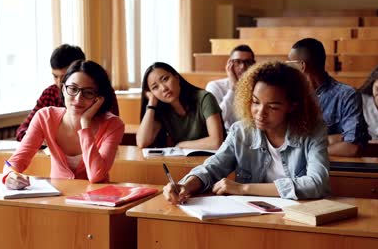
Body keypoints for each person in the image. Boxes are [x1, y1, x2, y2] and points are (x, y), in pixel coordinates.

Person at [163, 62, 330, 203]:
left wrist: (243, 188)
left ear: (292, 106)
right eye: (255, 102)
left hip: (297, 218)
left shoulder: (313, 132)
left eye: (273, 107)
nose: (260, 112)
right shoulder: (240, 131)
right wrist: (186, 185)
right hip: (250, 214)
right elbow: (212, 167)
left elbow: (316, 184)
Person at [3, 60, 124, 189]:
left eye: (88, 92)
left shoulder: (113, 125)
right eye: (73, 89)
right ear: (63, 89)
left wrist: (85, 124)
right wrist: (10, 175)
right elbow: (16, 161)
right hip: (57, 196)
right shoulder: (45, 117)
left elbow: (96, 176)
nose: (78, 99)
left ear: (99, 98)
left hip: (95, 201)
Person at [16, 44, 119, 141]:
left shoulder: (102, 93)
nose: (59, 82)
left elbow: (110, 133)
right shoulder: (50, 93)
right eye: (55, 76)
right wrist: (45, 138)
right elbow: (22, 130)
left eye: (64, 76)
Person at [288, 38, 369, 157]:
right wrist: (330, 140)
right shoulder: (288, 94)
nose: (287, 68)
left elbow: (352, 148)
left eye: (289, 63)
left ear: (302, 66)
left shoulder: (346, 95)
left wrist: (305, 150)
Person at [136, 62, 225, 149]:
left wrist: (181, 145)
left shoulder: (204, 98)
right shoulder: (162, 109)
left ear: (177, 77)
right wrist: (151, 104)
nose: (164, 88)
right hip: (184, 161)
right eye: (155, 87)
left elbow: (216, 142)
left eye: (165, 79)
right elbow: (142, 142)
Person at [206, 45, 256, 130]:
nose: (243, 67)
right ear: (229, 64)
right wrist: (233, 89)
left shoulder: (259, 87)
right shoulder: (215, 86)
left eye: (248, 62)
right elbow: (216, 121)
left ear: (253, 65)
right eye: (237, 62)